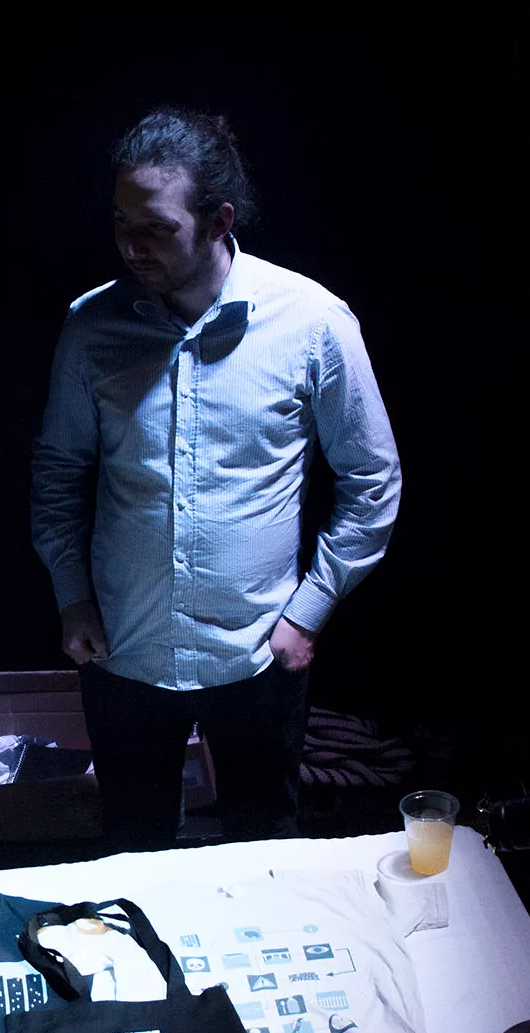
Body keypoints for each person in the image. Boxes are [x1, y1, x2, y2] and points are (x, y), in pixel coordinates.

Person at [32, 108, 401, 854]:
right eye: (121, 222)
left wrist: (310, 611)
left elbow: (372, 478)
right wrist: (71, 593)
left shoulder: (312, 322)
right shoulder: (92, 326)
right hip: (125, 651)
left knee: (266, 856)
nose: (131, 245)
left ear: (218, 221)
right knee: (132, 853)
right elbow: (58, 471)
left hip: (258, 653)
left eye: (156, 227)